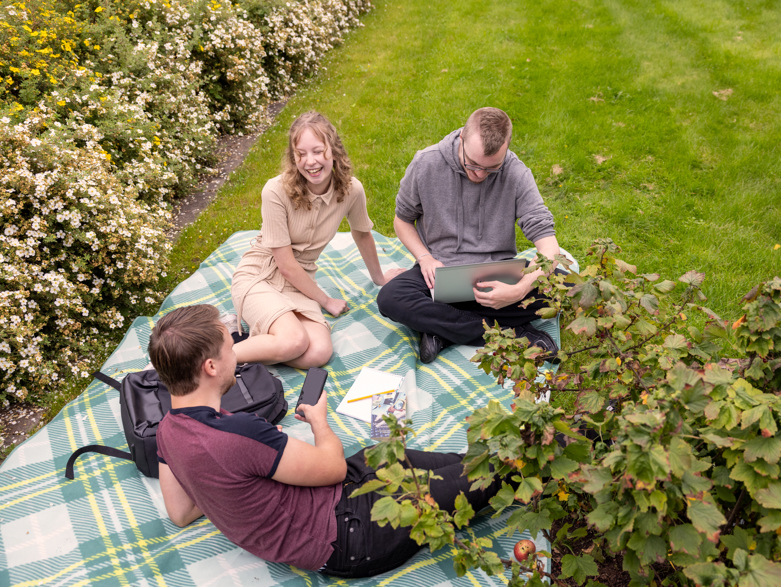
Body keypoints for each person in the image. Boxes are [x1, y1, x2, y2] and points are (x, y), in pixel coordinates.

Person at [150, 304, 503, 577]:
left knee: (461, 464)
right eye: (231, 347)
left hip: (346, 492)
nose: (238, 352)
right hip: (352, 536)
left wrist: (231, 486)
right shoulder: (241, 433)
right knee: (498, 471)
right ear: (211, 367)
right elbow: (333, 468)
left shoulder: (166, 430)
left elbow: (180, 513)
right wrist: (320, 422)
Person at [376, 107, 562, 363]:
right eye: (472, 164)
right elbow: (402, 220)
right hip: (438, 274)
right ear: (461, 138)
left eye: (492, 168)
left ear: (506, 148)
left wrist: (518, 291)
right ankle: (515, 334)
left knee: (563, 288)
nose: (479, 175)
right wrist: (425, 257)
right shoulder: (426, 163)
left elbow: (550, 249)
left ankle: (442, 328)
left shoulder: (517, 173)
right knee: (390, 298)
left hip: (499, 276)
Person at [228, 111, 404, 368]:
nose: (310, 161)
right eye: (301, 154)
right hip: (260, 276)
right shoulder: (275, 191)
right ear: (293, 157)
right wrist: (326, 301)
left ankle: (246, 338)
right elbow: (286, 266)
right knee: (294, 341)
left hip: (300, 283)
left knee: (319, 353)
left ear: (333, 150)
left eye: (318, 151)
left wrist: (380, 278)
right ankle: (207, 361)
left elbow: (362, 233)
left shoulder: (351, 190)